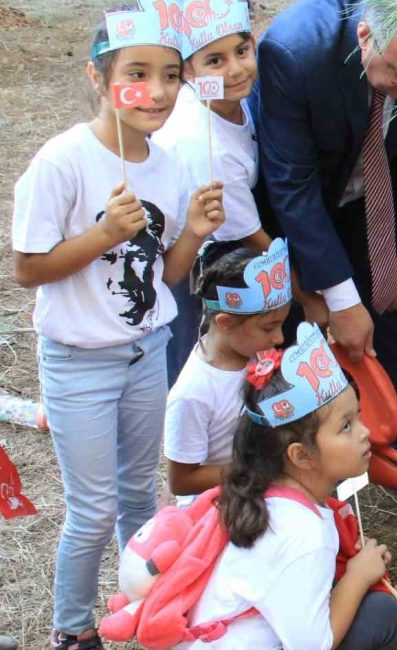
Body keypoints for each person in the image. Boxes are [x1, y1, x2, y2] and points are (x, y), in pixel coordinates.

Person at [9, 7, 224, 648]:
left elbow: (168, 277)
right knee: (94, 510)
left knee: (140, 498)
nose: (156, 92)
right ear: (98, 79)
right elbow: (27, 268)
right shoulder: (62, 162)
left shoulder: (169, 162)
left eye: (169, 76)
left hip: (148, 347)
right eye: (136, 74)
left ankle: (146, 608)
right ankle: (73, 631)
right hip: (80, 360)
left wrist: (192, 232)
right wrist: (104, 233)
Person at [250, 0, 397, 507]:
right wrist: (338, 297)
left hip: (372, 199)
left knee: (393, 314)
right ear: (365, 35)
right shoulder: (295, 51)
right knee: (296, 339)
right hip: (292, 213)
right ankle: (303, 483)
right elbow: (292, 186)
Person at [181, 323, 397, 649]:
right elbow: (312, 646)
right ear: (300, 456)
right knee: (382, 615)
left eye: (356, 416)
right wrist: (358, 576)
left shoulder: (268, 496)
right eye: (345, 426)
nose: (364, 432)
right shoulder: (302, 534)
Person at [154, 0, 312, 386]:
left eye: (242, 51)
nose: (236, 69)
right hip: (187, 261)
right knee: (200, 364)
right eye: (215, 61)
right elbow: (252, 237)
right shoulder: (207, 146)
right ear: (188, 69)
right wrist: (307, 295)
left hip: (213, 242)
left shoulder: (236, 103)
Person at [164, 240, 292, 505]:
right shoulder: (193, 393)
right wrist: (259, 471)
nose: (279, 337)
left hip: (261, 487)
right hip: (220, 506)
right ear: (225, 322)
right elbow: (181, 481)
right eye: (269, 327)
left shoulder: (253, 353)